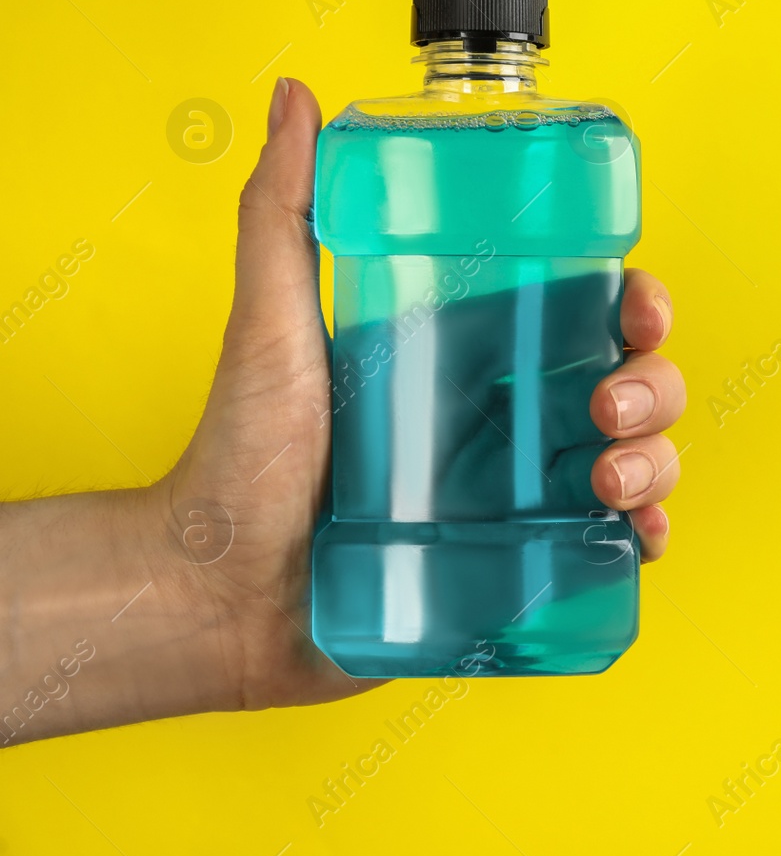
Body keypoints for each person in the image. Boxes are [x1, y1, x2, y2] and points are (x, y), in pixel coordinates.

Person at [0, 79, 684, 747]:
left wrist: (208, 581)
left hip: (344, 597)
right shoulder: (584, 145)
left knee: (612, 380)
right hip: (344, 597)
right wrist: (207, 581)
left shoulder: (387, 140)